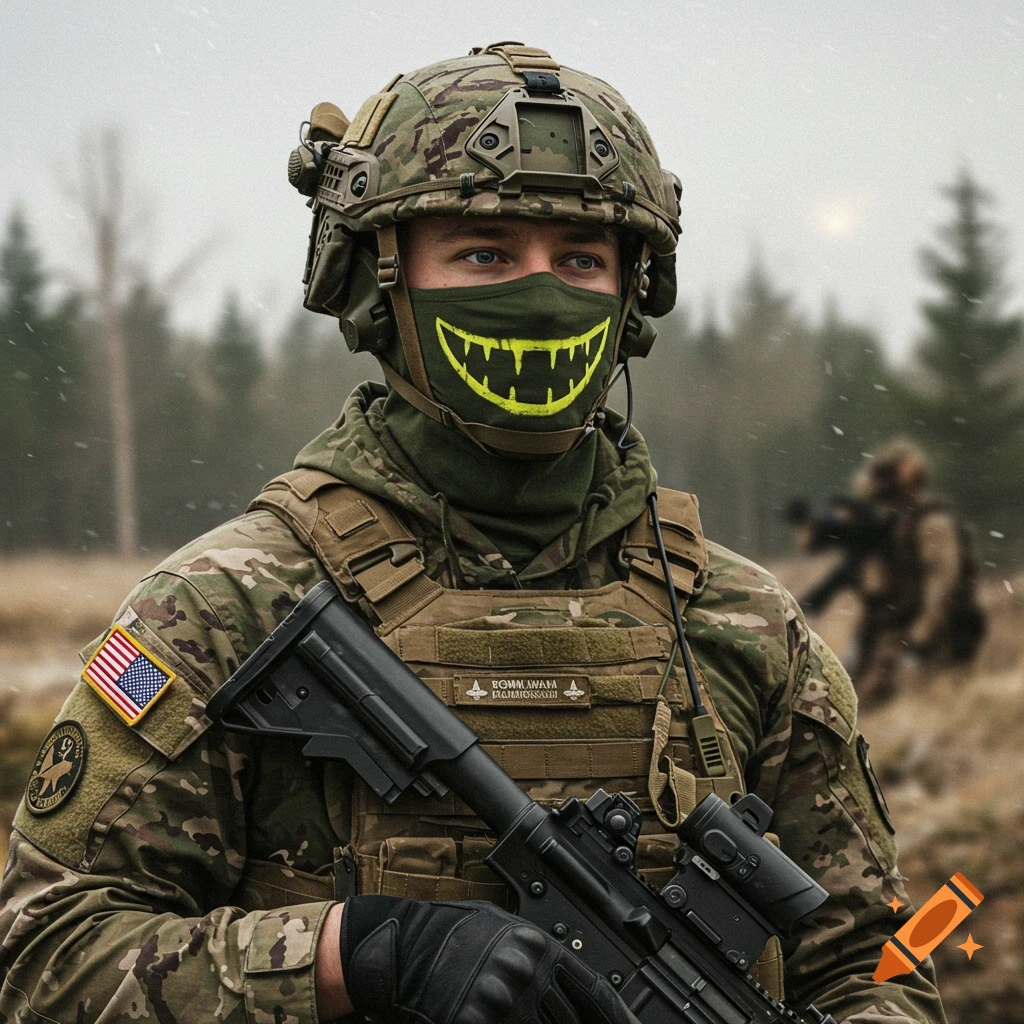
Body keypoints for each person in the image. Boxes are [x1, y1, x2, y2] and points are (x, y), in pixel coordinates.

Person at [0, 43, 945, 1024]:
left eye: (580, 258)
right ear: (378, 279)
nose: (540, 295)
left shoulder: (745, 623)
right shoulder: (230, 604)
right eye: (485, 252)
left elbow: (887, 961)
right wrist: (357, 953)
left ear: (631, 296)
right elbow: (42, 958)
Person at [793, 440, 984, 707]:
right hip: (892, 629)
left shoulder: (932, 523)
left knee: (913, 709)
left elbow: (941, 588)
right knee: (846, 702)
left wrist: (919, 639)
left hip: (936, 640)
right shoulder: (891, 522)